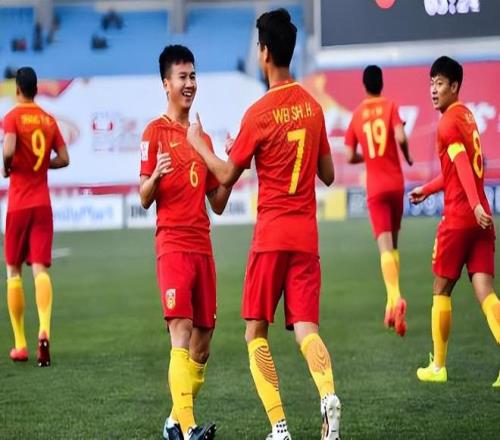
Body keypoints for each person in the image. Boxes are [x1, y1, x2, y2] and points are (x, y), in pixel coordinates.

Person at [187, 9, 341, 440]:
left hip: (271, 235)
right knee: (307, 330)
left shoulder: (258, 113)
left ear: (266, 52)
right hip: (306, 236)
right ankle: (327, 394)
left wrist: (199, 145)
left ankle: (279, 425)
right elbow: (328, 174)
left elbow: (224, 175)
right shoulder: (313, 107)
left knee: (255, 332)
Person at [139, 45, 231, 440]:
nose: (189, 83)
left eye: (193, 76)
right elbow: (144, 198)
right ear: (166, 84)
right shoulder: (153, 132)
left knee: (202, 344)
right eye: (182, 77)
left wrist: (231, 167)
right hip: (173, 245)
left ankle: (174, 423)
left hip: (202, 246)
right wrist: (155, 177)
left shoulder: (200, 136)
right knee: (181, 330)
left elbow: (218, 203)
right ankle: (190, 429)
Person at [409, 56, 499, 388]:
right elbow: (456, 169)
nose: (433, 90)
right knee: (485, 292)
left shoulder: (447, 123)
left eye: (440, 84)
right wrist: (427, 189)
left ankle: (439, 366)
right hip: (481, 220)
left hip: (461, 217)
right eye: (431, 83)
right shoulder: (467, 116)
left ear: (455, 86)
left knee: (440, 289)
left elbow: (461, 164)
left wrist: (472, 205)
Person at [2, 66, 70, 367]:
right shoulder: (48, 119)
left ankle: (20, 344)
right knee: (40, 269)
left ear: (18, 89)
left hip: (18, 203)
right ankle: (44, 330)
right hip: (43, 204)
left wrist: (7, 166)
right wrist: (42, 166)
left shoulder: (12, 117)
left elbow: (9, 148)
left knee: (13, 271)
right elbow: (64, 158)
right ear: (36, 89)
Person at [344, 65, 412, 336]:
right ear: (381, 83)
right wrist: (407, 156)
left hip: (375, 186)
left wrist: (368, 157)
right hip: (396, 183)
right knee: (394, 245)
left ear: (364, 86)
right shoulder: (391, 106)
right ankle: (390, 306)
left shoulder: (357, 114)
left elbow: (349, 156)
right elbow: (400, 136)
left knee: (384, 249)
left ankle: (395, 298)